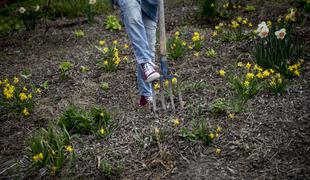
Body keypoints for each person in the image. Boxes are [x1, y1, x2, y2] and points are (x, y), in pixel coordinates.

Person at [110, 0, 160, 107]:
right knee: (134, 20)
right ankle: (146, 64)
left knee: (149, 48)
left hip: (150, 4)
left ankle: (146, 95)